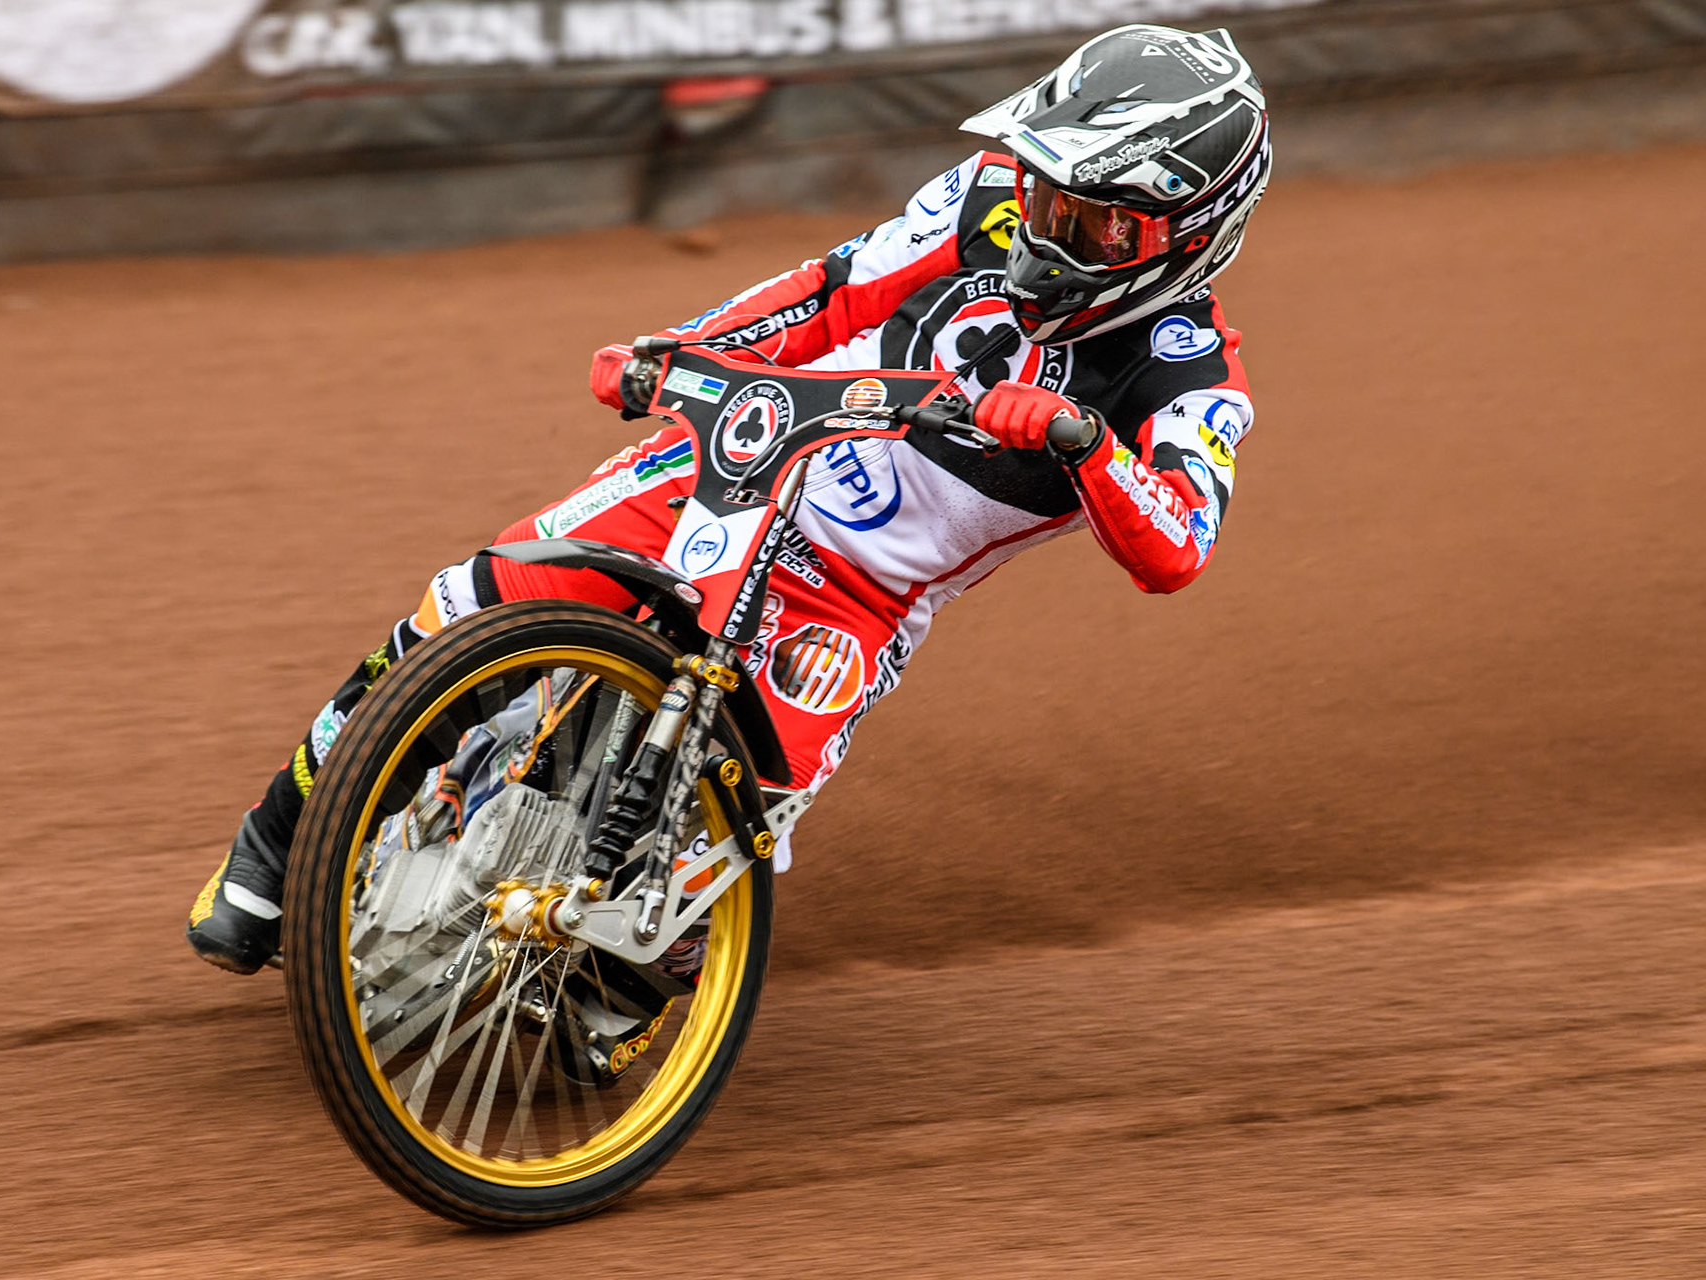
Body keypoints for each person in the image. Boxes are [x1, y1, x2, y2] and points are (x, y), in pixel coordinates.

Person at [188, 22, 1270, 976]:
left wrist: (1085, 443)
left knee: (714, 862)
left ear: (1191, 234)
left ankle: (614, 984)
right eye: (1046, 192)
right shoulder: (988, 198)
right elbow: (833, 289)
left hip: (859, 598)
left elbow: (1179, 544)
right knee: (475, 599)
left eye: (1095, 223)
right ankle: (277, 842)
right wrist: (679, 350)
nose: (1047, 227)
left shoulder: (1189, 374)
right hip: (750, 459)